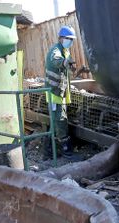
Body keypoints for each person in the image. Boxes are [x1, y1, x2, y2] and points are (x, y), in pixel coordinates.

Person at [43, 26, 77, 159]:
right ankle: (66, 151)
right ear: (62, 38)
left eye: (72, 40)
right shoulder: (55, 50)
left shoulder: (65, 50)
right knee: (60, 120)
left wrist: (71, 67)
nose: (71, 42)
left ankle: (48, 152)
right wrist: (65, 62)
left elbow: (67, 67)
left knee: (55, 122)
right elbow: (57, 61)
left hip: (60, 92)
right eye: (69, 39)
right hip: (54, 93)